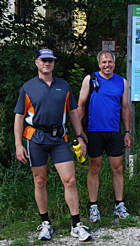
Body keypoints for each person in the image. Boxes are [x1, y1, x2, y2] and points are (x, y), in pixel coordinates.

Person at [14, 49, 91, 242]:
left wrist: (80, 136)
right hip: (36, 138)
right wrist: (18, 144)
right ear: (37, 62)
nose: (47, 63)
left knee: (70, 180)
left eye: (50, 60)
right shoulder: (28, 87)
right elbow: (19, 117)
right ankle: (45, 223)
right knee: (39, 181)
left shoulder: (63, 86)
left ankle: (76, 224)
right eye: (44, 60)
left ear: (54, 63)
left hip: (59, 139)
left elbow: (73, 113)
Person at [78, 50, 132, 222]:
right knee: (95, 167)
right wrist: (79, 133)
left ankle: (119, 205)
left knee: (118, 168)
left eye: (110, 62)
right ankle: (93, 206)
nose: (107, 65)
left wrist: (127, 132)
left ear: (114, 63)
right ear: (99, 64)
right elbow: (80, 105)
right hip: (94, 131)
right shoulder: (90, 79)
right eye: (104, 62)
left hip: (114, 131)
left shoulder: (121, 82)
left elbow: (125, 108)